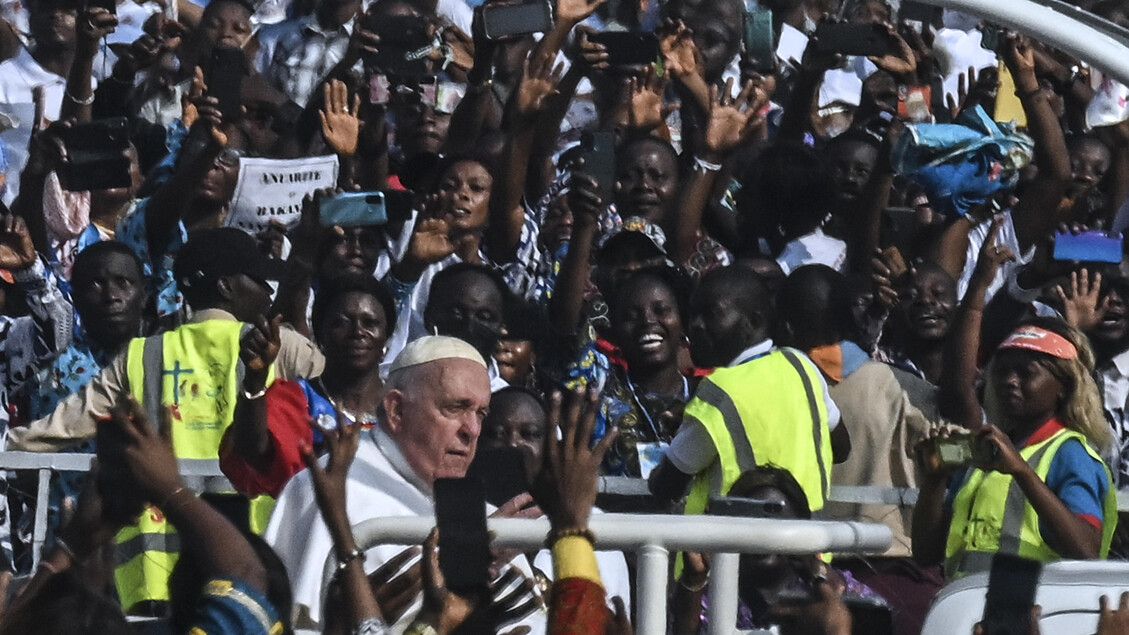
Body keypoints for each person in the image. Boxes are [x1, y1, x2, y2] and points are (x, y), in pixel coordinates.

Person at [264, 335, 546, 631]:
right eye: (455, 408)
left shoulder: (474, 505)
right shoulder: (332, 487)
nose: (473, 430)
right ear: (397, 410)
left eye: (480, 413)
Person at [917, 231, 1118, 578]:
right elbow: (925, 552)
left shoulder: (1071, 454)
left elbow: (1087, 550)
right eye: (1003, 371)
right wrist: (934, 481)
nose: (1010, 381)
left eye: (1027, 374)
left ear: (1062, 386)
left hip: (1037, 618)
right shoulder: (983, 451)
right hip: (968, 611)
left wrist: (1022, 472)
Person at [649, 265, 841, 517]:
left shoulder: (719, 390)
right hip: (811, 550)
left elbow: (666, 484)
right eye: (693, 314)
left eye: (711, 315)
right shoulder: (800, 365)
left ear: (754, 321)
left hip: (739, 551)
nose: (695, 326)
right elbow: (842, 446)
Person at [220, 274, 397, 498]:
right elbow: (252, 453)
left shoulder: (403, 410)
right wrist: (255, 377)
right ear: (320, 335)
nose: (357, 332)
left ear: (388, 337)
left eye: (370, 323)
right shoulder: (293, 401)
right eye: (340, 323)